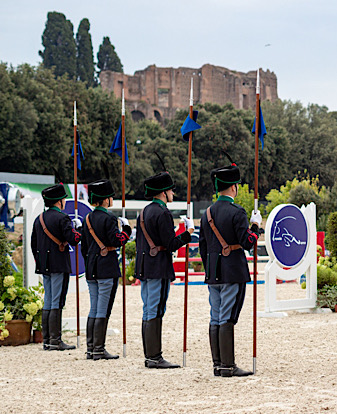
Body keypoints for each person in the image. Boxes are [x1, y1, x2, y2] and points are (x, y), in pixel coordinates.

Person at [199, 160, 262, 377]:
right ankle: (227, 365)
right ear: (234, 187)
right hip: (232, 270)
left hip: (213, 272)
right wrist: (256, 226)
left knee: (215, 316)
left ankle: (218, 364)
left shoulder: (207, 213)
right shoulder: (237, 212)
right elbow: (247, 243)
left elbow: (203, 247)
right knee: (226, 316)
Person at [134, 168, 193, 368]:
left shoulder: (144, 212)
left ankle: (150, 355)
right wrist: (188, 233)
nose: (172, 194)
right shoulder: (162, 213)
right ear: (163, 192)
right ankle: (154, 357)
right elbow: (170, 244)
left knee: (148, 309)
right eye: (170, 190)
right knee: (156, 309)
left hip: (145, 267)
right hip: (158, 266)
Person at [81, 179, 131, 360]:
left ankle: (91, 348)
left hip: (91, 267)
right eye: (110, 197)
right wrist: (126, 229)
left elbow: (84, 248)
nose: (112, 199)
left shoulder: (87, 218)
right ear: (105, 200)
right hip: (106, 268)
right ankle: (98, 349)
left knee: (94, 308)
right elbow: (117, 240)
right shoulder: (110, 218)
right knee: (102, 309)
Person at [31, 184, 82, 351]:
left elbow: (33, 244)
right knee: (57, 301)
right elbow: (73, 239)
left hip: (44, 265)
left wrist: (41, 261)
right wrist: (78, 228)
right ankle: (56, 340)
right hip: (59, 264)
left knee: (48, 300)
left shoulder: (39, 219)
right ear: (59, 201)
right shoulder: (63, 218)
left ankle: (47, 339)